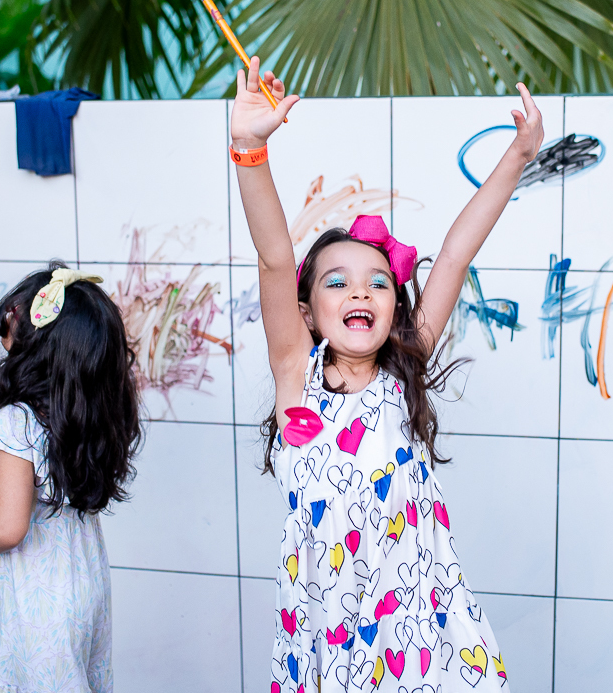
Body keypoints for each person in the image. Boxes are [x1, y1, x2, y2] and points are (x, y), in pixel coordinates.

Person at [231, 57, 541, 691]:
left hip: (417, 630)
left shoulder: (402, 372)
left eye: (378, 283)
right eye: (337, 282)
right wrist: (249, 148)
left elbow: (455, 253)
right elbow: (272, 257)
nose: (360, 293)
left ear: (396, 306)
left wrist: (519, 154)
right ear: (308, 312)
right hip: (325, 629)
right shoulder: (297, 376)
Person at [0, 265, 142, 693]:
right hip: (83, 582)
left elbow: (7, 529)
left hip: (32, 595)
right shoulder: (79, 413)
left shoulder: (14, 421)